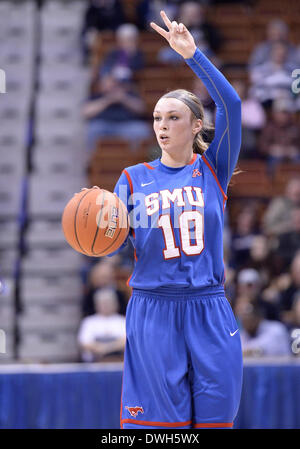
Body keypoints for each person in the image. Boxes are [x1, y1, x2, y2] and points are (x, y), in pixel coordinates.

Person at [108, 11, 243, 429]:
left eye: (173, 118)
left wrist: (194, 56)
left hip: (209, 308)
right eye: (156, 119)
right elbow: (110, 242)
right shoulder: (131, 179)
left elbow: (232, 106)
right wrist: (98, 227)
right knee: (160, 435)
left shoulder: (212, 170)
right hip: (153, 310)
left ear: (196, 125)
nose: (162, 126)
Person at [82, 69, 151, 151]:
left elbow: (141, 110)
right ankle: (92, 160)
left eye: (113, 81)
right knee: (91, 130)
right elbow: (86, 112)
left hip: (126, 125)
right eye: (107, 82)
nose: (110, 84)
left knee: (142, 130)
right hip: (103, 125)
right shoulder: (97, 95)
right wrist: (108, 100)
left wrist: (124, 98)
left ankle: (136, 159)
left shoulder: (128, 93)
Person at [78, 287, 126, 362]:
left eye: (108, 303)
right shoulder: (89, 322)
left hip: (119, 360)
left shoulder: (123, 321)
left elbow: (126, 341)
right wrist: (101, 349)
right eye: (103, 303)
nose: (106, 306)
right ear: (96, 304)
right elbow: (84, 343)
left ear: (115, 303)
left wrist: (107, 348)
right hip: (95, 361)